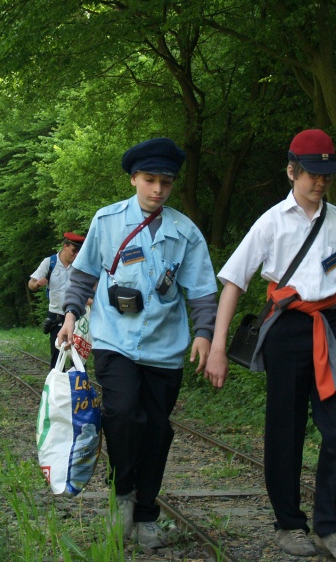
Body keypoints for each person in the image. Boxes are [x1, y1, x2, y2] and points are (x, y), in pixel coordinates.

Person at [203, 129, 336, 561]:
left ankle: (330, 525)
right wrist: (218, 348)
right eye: (311, 173)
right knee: (285, 432)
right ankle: (289, 524)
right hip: (286, 331)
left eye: (326, 175)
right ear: (291, 170)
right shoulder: (271, 222)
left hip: (331, 328)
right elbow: (234, 281)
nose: (319, 183)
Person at [57, 137, 218, 550]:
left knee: (157, 431)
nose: (158, 189)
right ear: (134, 179)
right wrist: (71, 315)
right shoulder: (107, 221)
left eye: (166, 182)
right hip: (115, 340)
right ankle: (122, 494)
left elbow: (200, 290)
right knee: (123, 414)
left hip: (166, 348)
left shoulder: (186, 232)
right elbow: (84, 275)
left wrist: (204, 334)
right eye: (150, 180)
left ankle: (147, 515)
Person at [28, 231, 86, 366]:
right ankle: (57, 385)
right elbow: (31, 284)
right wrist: (36, 284)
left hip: (77, 316)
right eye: (74, 250)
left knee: (77, 357)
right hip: (56, 316)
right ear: (65, 246)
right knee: (57, 355)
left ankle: (76, 385)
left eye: (79, 251)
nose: (76, 254)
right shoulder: (50, 262)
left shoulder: (80, 265)